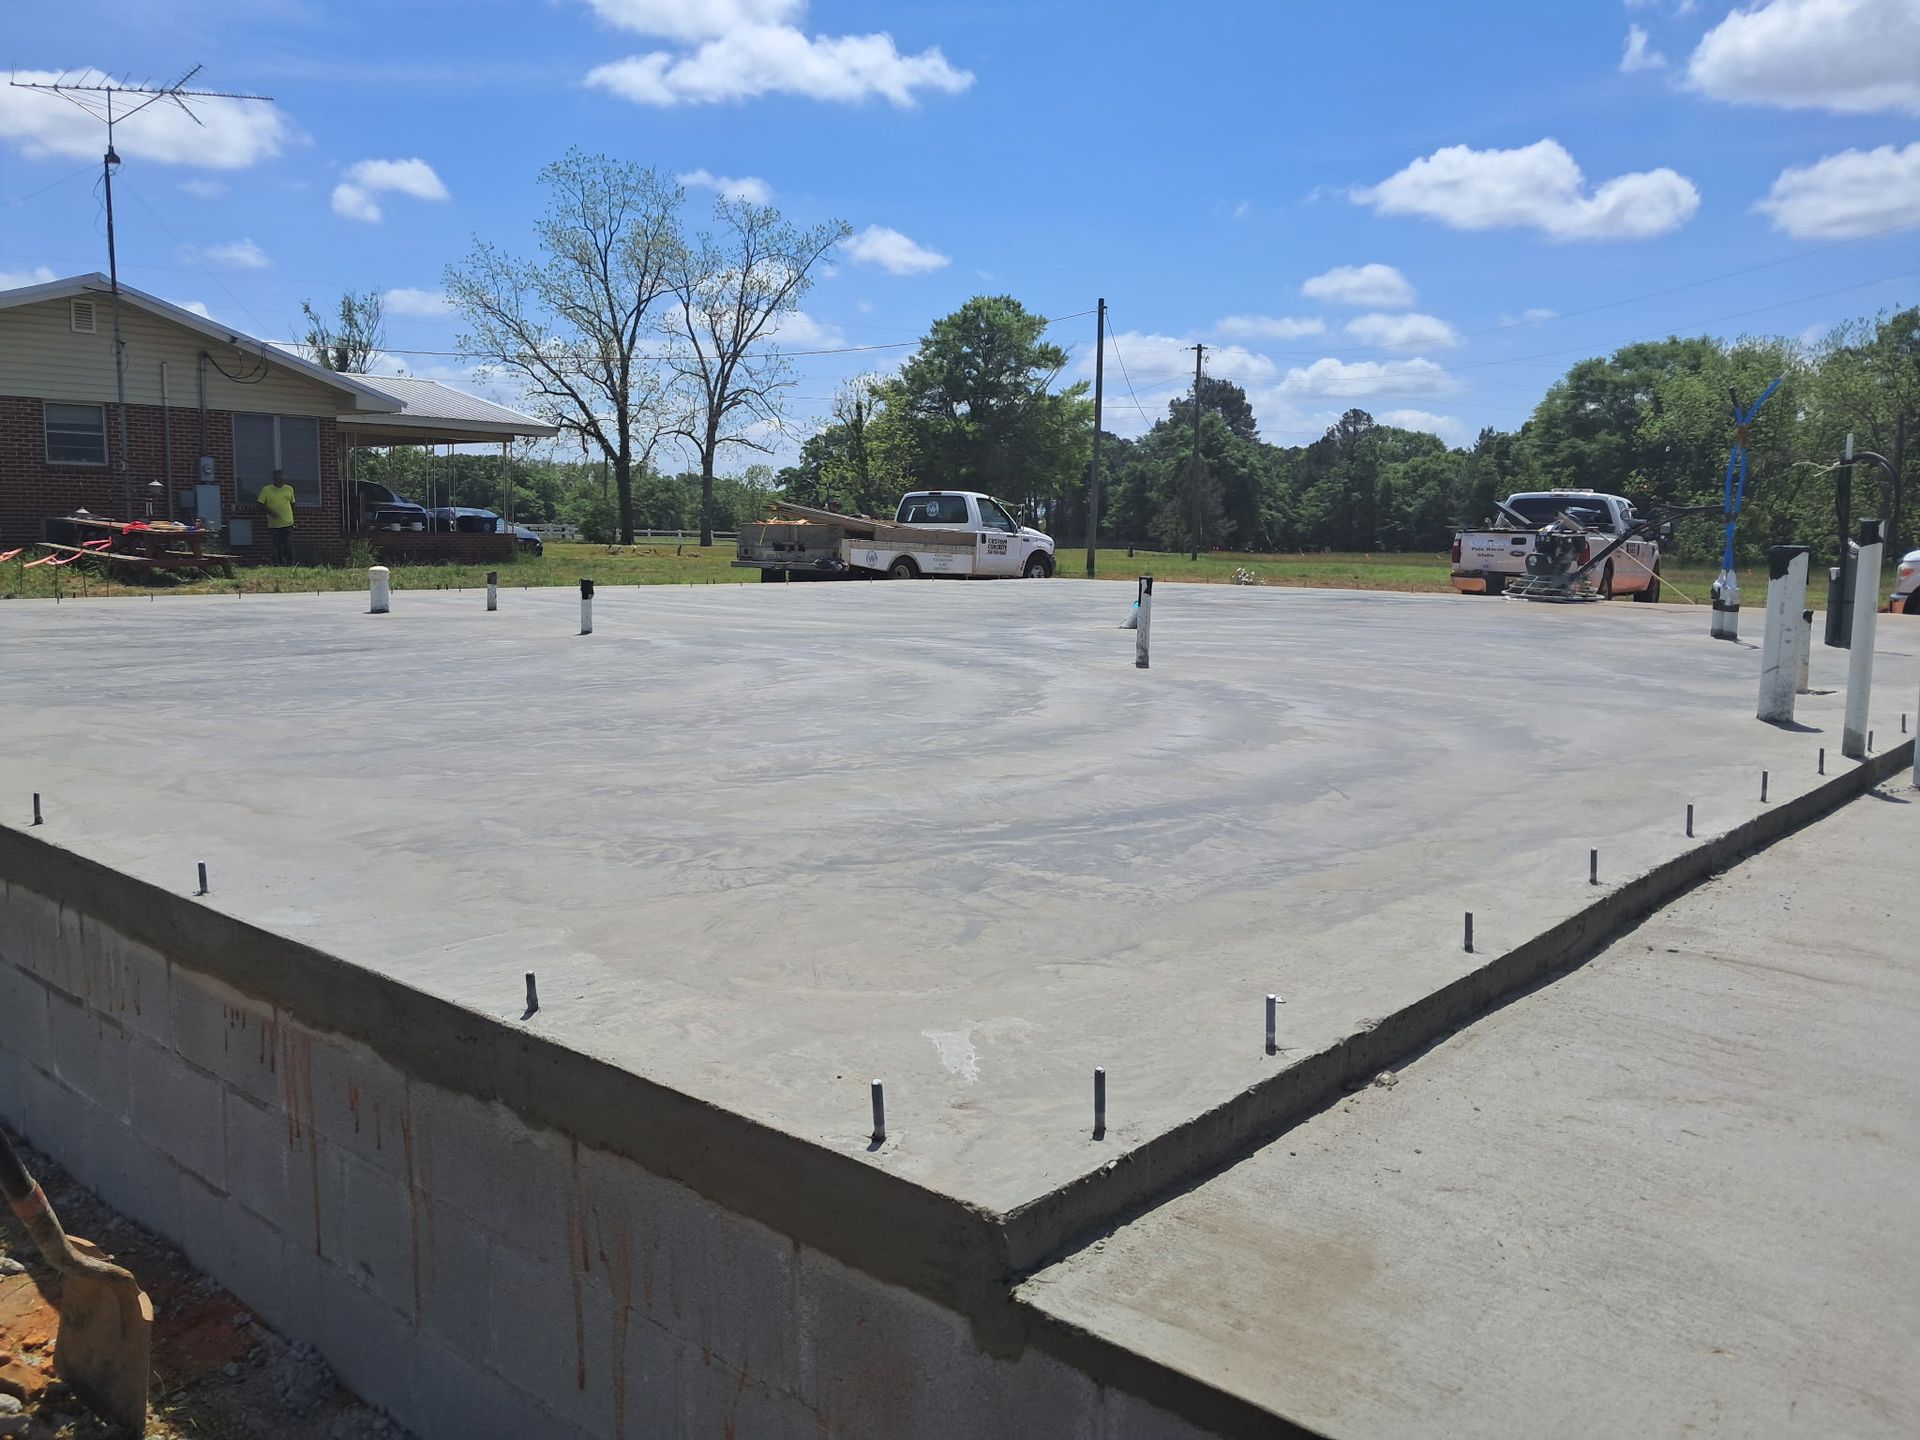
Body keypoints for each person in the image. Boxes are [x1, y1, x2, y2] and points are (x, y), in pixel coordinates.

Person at [257, 469, 297, 563]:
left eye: (282, 480)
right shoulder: (266, 489)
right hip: (274, 523)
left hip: (288, 522)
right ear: (274, 479)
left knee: (288, 544)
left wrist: (292, 516)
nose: (281, 482)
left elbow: (292, 503)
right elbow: (260, 504)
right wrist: (270, 512)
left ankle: (291, 563)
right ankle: (279, 563)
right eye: (279, 480)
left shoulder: (289, 489)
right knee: (277, 545)